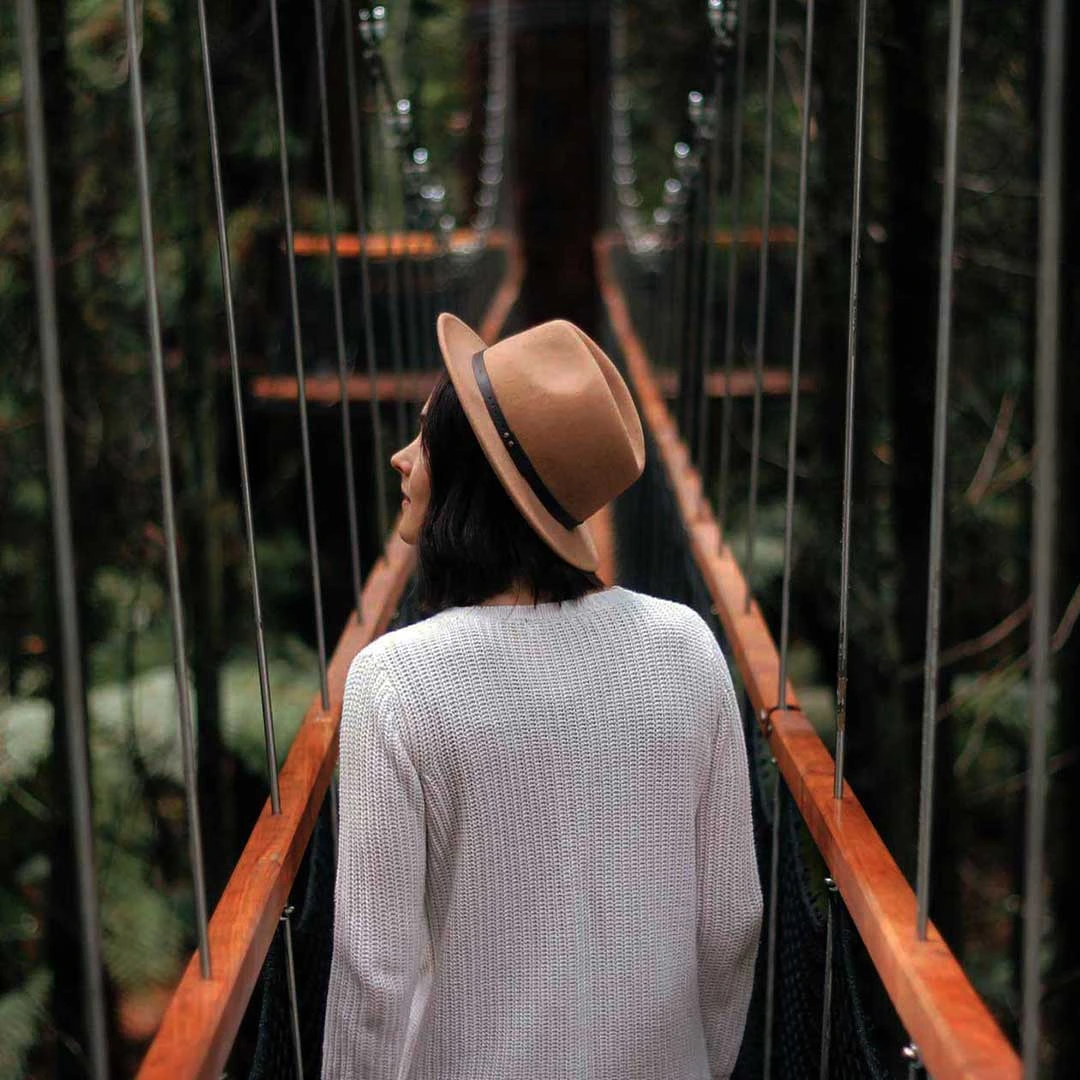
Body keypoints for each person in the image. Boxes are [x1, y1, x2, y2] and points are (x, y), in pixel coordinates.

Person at [321, 314, 762, 1080]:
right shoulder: (687, 645)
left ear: (470, 473)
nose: (401, 457)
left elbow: (375, 974)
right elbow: (732, 921)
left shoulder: (395, 679)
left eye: (424, 437)